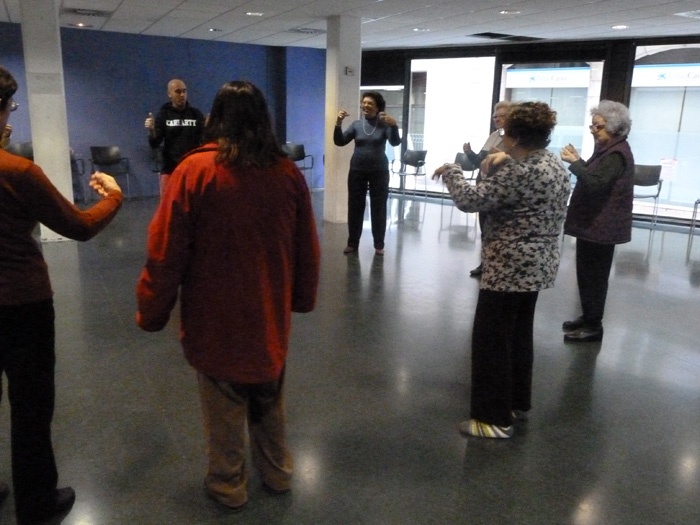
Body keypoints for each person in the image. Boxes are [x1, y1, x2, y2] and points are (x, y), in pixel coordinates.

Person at [136, 80, 320, 511]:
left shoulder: (193, 172)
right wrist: (302, 297)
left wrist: (152, 310)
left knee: (223, 403)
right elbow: (306, 246)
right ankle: (277, 472)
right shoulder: (285, 172)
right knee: (268, 394)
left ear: (214, 118)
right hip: (268, 311)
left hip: (214, 315)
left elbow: (165, 251)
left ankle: (227, 484)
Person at [0, 65, 123, 523]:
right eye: (9, 107)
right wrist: (113, 196)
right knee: (31, 407)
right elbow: (79, 226)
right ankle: (36, 503)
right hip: (22, 304)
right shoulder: (18, 170)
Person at [433, 101, 570, 439]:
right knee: (518, 336)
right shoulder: (552, 164)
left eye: (505, 133)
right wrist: (505, 161)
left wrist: (452, 171)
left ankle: (492, 419)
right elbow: (524, 189)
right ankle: (515, 401)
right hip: (538, 266)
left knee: (491, 341)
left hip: (509, 267)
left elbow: (470, 200)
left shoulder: (519, 173)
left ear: (515, 137)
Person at [560, 100, 634, 343]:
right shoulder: (608, 150)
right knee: (586, 274)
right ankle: (589, 316)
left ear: (614, 128)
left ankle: (594, 325)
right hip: (594, 225)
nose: (592, 130)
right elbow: (595, 176)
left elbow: (595, 184)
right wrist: (580, 161)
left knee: (594, 277)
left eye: (597, 126)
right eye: (592, 126)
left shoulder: (616, 154)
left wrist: (575, 164)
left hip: (602, 226)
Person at [334, 91, 402, 256]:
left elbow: (395, 142)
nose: (365, 105)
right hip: (357, 171)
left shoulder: (384, 124)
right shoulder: (356, 125)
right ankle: (352, 243)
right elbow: (340, 141)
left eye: (370, 103)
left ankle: (379, 244)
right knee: (355, 207)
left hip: (379, 172)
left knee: (378, 208)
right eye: (364, 102)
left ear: (377, 107)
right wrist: (338, 123)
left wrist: (394, 126)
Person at [462, 100, 513, 277]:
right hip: (484, 186)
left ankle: (498, 265)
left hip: (500, 189)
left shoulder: (515, 139)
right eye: (495, 116)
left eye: (501, 116)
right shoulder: (493, 135)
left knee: (498, 230)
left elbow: (516, 165)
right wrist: (469, 153)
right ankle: (485, 263)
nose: (497, 119)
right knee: (485, 229)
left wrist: (502, 156)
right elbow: (479, 163)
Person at [145, 78, 205, 195]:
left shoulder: (196, 114)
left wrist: (209, 128)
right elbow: (155, 143)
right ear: (169, 94)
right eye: (178, 91)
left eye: (184, 91)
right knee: (168, 204)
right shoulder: (164, 115)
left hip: (192, 168)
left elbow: (204, 139)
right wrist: (152, 130)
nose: (182, 95)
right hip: (170, 168)